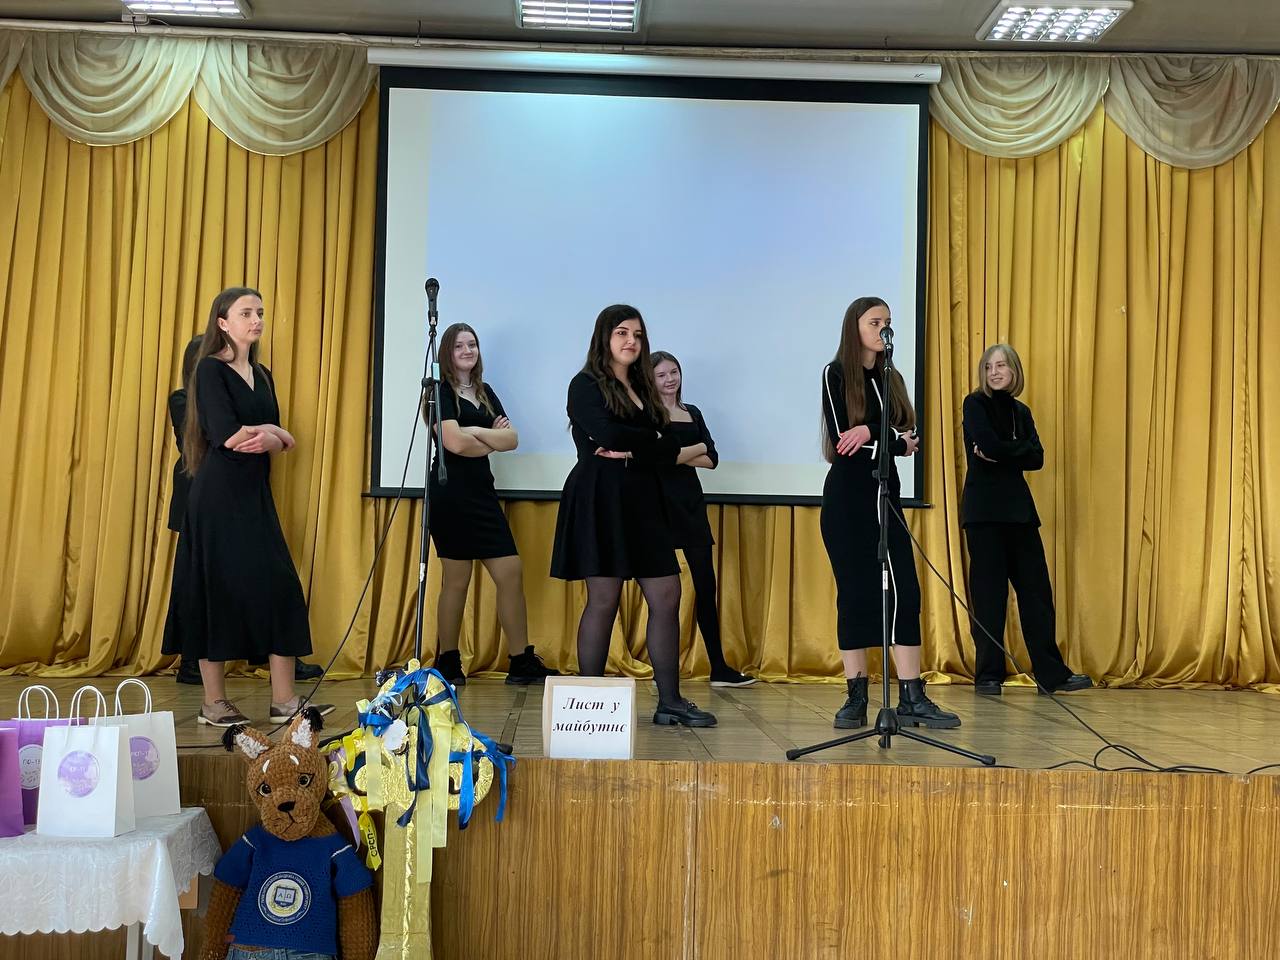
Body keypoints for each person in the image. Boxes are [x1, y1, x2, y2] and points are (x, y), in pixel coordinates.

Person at [162, 287, 331, 726]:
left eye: (259, 312)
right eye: (245, 313)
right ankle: (213, 703)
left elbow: (277, 435)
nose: (256, 320)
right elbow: (229, 435)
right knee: (215, 592)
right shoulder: (209, 371)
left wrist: (274, 435)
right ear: (222, 322)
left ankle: (284, 701)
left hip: (255, 495)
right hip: (217, 497)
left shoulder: (262, 373)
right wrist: (275, 435)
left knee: (280, 588)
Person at [551, 305, 716, 727]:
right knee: (604, 598)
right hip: (601, 496)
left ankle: (670, 701)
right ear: (604, 337)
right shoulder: (585, 384)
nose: (631, 341)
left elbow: (667, 443)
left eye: (638, 335)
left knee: (667, 594)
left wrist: (637, 446)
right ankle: (587, 703)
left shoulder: (644, 384)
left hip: (644, 496)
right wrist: (650, 439)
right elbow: (607, 433)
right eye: (622, 333)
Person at [820, 297, 959, 730]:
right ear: (855, 327)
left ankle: (912, 695)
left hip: (886, 498)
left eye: (887, 322)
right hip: (847, 500)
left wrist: (873, 431)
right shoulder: (836, 373)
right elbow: (846, 443)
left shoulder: (891, 376)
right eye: (874, 321)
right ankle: (856, 696)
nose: (883, 329)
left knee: (905, 593)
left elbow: (910, 433)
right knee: (854, 595)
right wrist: (887, 438)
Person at [425, 322, 558, 687]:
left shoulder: (485, 392)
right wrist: (488, 437)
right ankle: (448, 662)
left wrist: (475, 432)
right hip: (451, 495)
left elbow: (511, 439)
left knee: (510, 571)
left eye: (473, 344)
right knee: (457, 580)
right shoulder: (438, 392)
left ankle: (520, 661)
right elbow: (455, 444)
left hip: (483, 494)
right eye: (459, 346)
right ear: (447, 352)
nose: (468, 351)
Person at [962, 343, 1092, 696]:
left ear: (1014, 370)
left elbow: (1037, 458)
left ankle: (1051, 674)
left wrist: (1001, 452)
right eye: (988, 367)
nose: (994, 372)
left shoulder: (1022, 411)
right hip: (984, 513)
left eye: (1001, 366)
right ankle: (988, 675)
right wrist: (1015, 450)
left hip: (1020, 513)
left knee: (1037, 595)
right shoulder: (975, 404)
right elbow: (992, 445)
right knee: (989, 597)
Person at [650, 350, 754, 687]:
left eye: (674, 372)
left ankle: (719, 667)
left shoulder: (692, 412)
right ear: (649, 380)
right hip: (657, 505)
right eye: (661, 375)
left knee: (706, 586)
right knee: (662, 592)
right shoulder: (647, 415)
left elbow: (713, 458)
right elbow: (658, 460)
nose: (670, 379)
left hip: (691, 505)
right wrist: (693, 449)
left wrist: (680, 453)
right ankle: (663, 671)